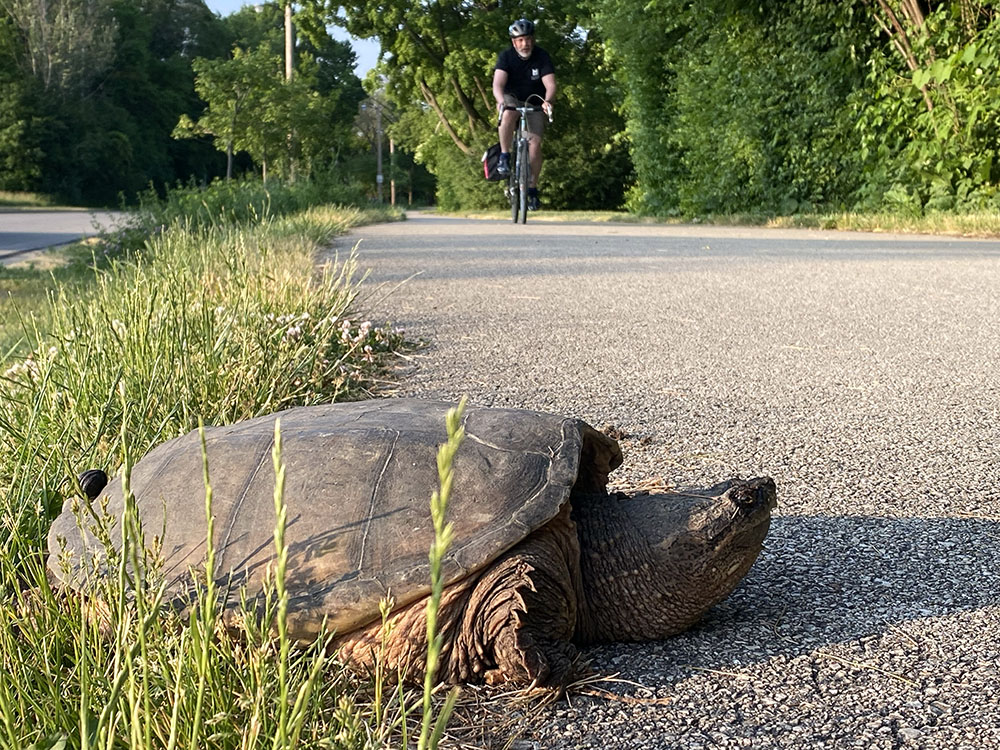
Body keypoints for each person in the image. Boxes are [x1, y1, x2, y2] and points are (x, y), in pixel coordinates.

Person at [492, 18, 556, 211]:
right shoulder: (506, 57)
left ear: (532, 40)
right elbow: (497, 85)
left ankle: (532, 189)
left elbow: (550, 85)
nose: (524, 44)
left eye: (527, 39)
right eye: (520, 40)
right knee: (508, 114)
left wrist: (548, 101)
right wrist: (501, 101)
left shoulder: (542, 56)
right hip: (511, 98)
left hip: (534, 101)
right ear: (514, 42)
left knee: (535, 145)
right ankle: (504, 155)